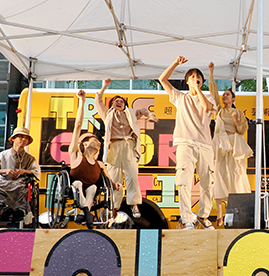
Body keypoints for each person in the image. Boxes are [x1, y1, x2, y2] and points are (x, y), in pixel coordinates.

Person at [158, 56, 217, 230]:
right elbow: (162, 79)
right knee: (184, 181)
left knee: (208, 183)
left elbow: (206, 108)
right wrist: (175, 63)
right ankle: (187, 218)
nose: (195, 79)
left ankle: (203, 216)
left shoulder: (208, 98)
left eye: (198, 77)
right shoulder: (180, 97)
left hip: (205, 145)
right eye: (192, 77)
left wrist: (198, 89)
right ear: (187, 81)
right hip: (185, 144)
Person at [94, 79, 156, 219]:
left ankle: (134, 204)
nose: (119, 102)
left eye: (121, 100)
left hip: (128, 146)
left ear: (125, 104)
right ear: (112, 104)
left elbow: (144, 111)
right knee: (115, 179)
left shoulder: (131, 113)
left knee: (132, 177)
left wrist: (150, 115)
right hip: (114, 148)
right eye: (116, 100)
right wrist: (104, 86)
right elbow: (98, 100)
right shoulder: (107, 114)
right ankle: (113, 207)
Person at [207, 62, 252, 227]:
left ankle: (236, 212)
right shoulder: (218, 110)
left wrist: (235, 119)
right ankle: (219, 213)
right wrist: (211, 72)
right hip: (220, 146)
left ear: (233, 98)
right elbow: (213, 91)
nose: (224, 96)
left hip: (234, 146)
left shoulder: (238, 112)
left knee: (235, 175)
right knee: (219, 174)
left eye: (228, 94)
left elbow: (242, 130)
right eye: (224, 94)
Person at [70, 90, 121, 229]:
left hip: (90, 189)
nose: (99, 142)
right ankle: (87, 212)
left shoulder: (99, 164)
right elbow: (78, 124)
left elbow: (109, 179)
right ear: (85, 144)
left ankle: (85, 211)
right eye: (95, 140)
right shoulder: (75, 155)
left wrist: (115, 185)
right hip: (74, 187)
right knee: (78, 185)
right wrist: (82, 101)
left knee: (92, 188)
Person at [0, 127, 41, 223]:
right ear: (13, 139)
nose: (24, 140)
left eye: (26, 138)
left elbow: (36, 171)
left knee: (24, 188)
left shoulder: (30, 158)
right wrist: (5, 171)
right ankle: (2, 208)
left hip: (21, 182)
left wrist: (24, 171)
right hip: (4, 180)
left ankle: (20, 210)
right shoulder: (2, 155)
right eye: (20, 137)